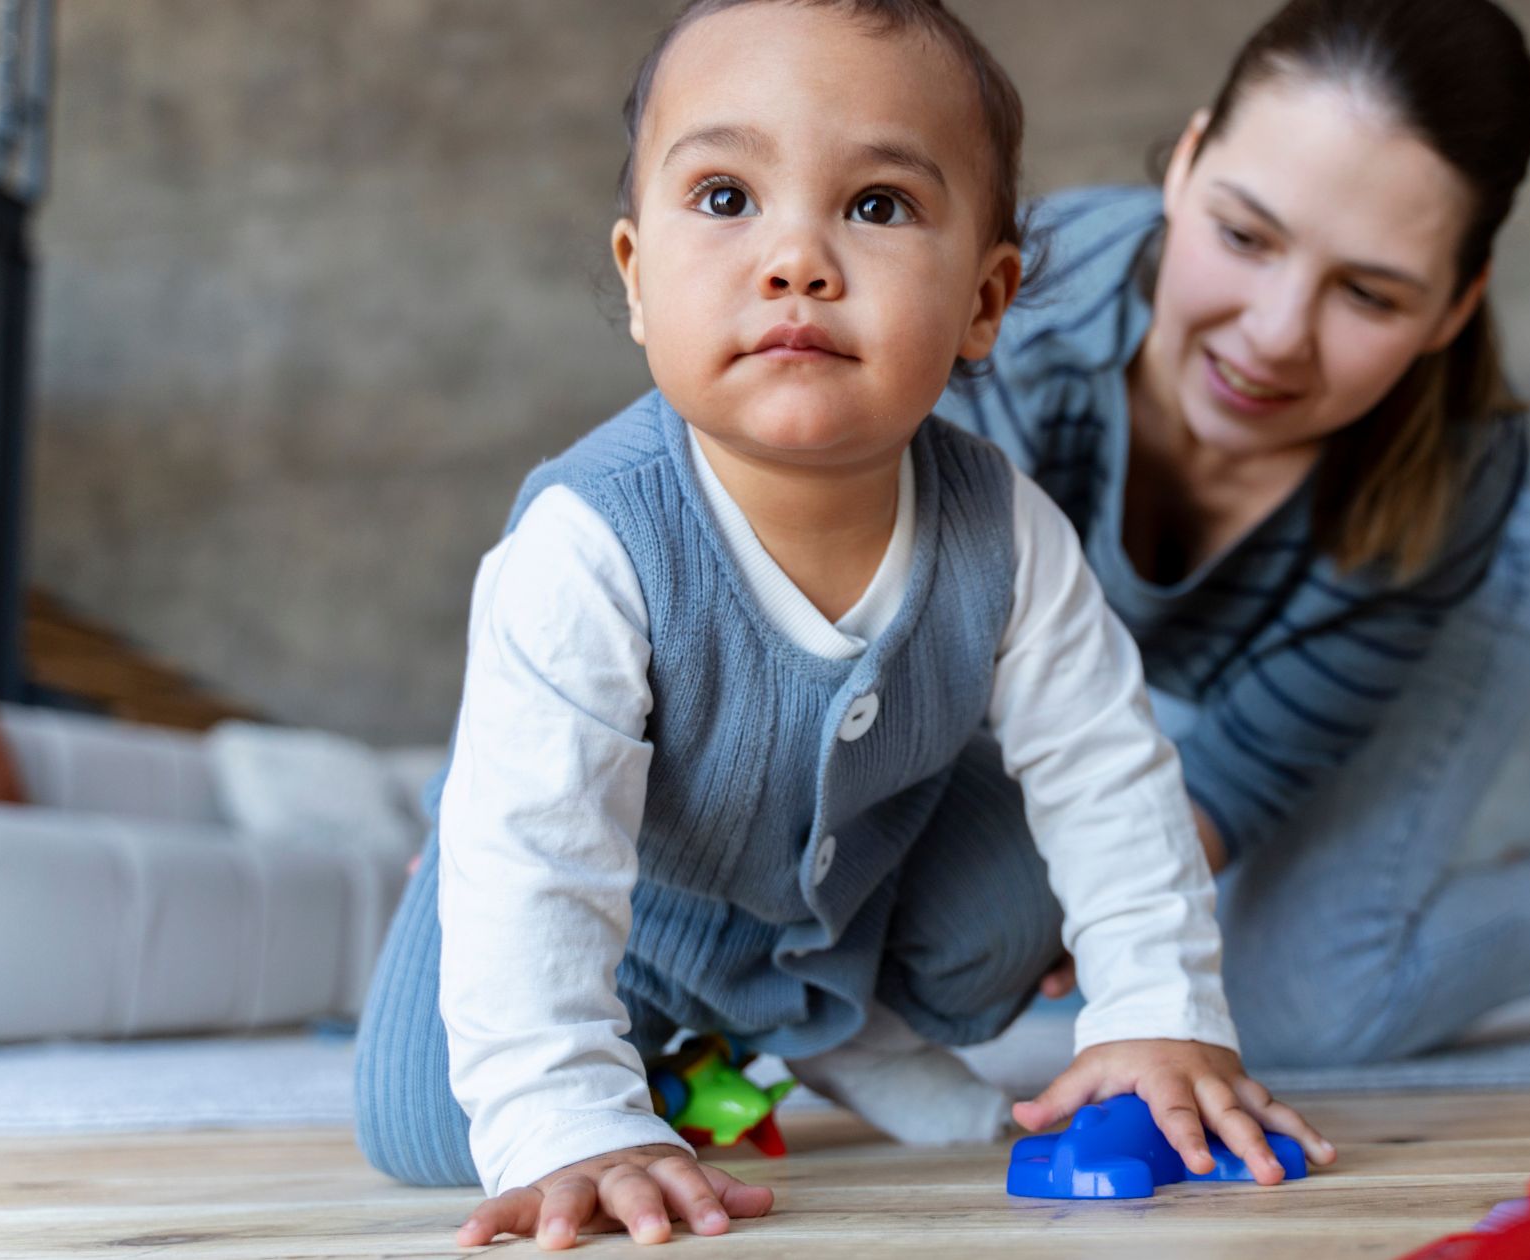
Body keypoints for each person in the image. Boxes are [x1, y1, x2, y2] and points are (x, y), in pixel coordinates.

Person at [353, 0, 1330, 1247]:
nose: (796, 259)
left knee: (1029, 888)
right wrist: (571, 1121)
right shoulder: (587, 545)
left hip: (850, 891)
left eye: (875, 205)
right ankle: (670, 1035)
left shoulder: (1003, 525)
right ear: (637, 277)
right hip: (604, 874)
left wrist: (1158, 1011)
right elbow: (539, 852)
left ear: (985, 302)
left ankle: (816, 1025)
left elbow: (1105, 771)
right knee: (438, 1131)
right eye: (722, 198)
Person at [934, 0, 1530, 1073]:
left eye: (1370, 294)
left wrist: (1095, 896)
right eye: (1243, 236)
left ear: (1452, 307)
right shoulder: (1012, 329)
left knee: (1299, 1014)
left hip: (1446, 575)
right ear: (1187, 162)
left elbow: (1229, 783)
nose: (1274, 338)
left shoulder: (1451, 482)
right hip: (1196, 616)